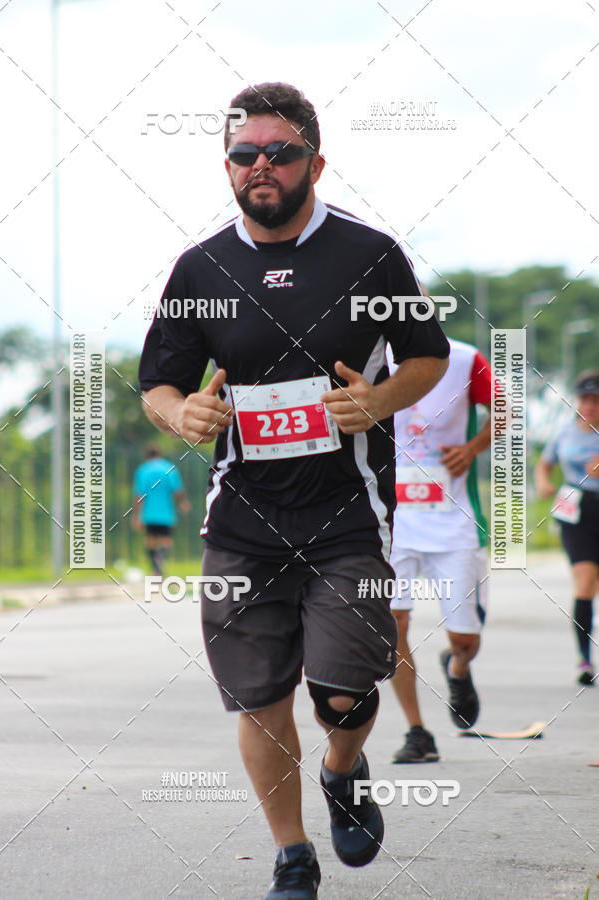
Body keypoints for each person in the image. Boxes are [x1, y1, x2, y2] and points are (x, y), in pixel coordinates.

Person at [138, 81, 449, 900]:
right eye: (245, 155)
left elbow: (428, 356)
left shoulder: (368, 255)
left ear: (316, 159)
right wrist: (186, 415)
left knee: (345, 694)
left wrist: (377, 402)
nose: (261, 167)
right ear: (229, 166)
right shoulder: (200, 268)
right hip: (241, 524)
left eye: (279, 152)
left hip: (348, 516)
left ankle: (344, 772)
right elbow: (159, 384)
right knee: (259, 695)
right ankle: (292, 857)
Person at [388, 338, 492, 762]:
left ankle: (458, 665)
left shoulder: (465, 359)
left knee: (465, 637)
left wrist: (471, 448)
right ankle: (417, 731)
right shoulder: (366, 354)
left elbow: (506, 410)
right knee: (393, 622)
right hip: (392, 519)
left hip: (451, 521)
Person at [535, 370, 599, 686]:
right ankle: (584, 660)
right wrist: (544, 482)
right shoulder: (564, 433)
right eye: (585, 400)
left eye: (596, 401)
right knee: (585, 583)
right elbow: (544, 465)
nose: (589, 406)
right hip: (576, 512)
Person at [132, 445, 190, 577]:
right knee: (165, 540)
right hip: (166, 513)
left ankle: (155, 569)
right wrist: (182, 503)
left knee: (150, 540)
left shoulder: (142, 470)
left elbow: (138, 495)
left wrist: (136, 516)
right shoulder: (168, 468)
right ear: (160, 454)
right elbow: (177, 490)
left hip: (149, 513)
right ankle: (161, 561)